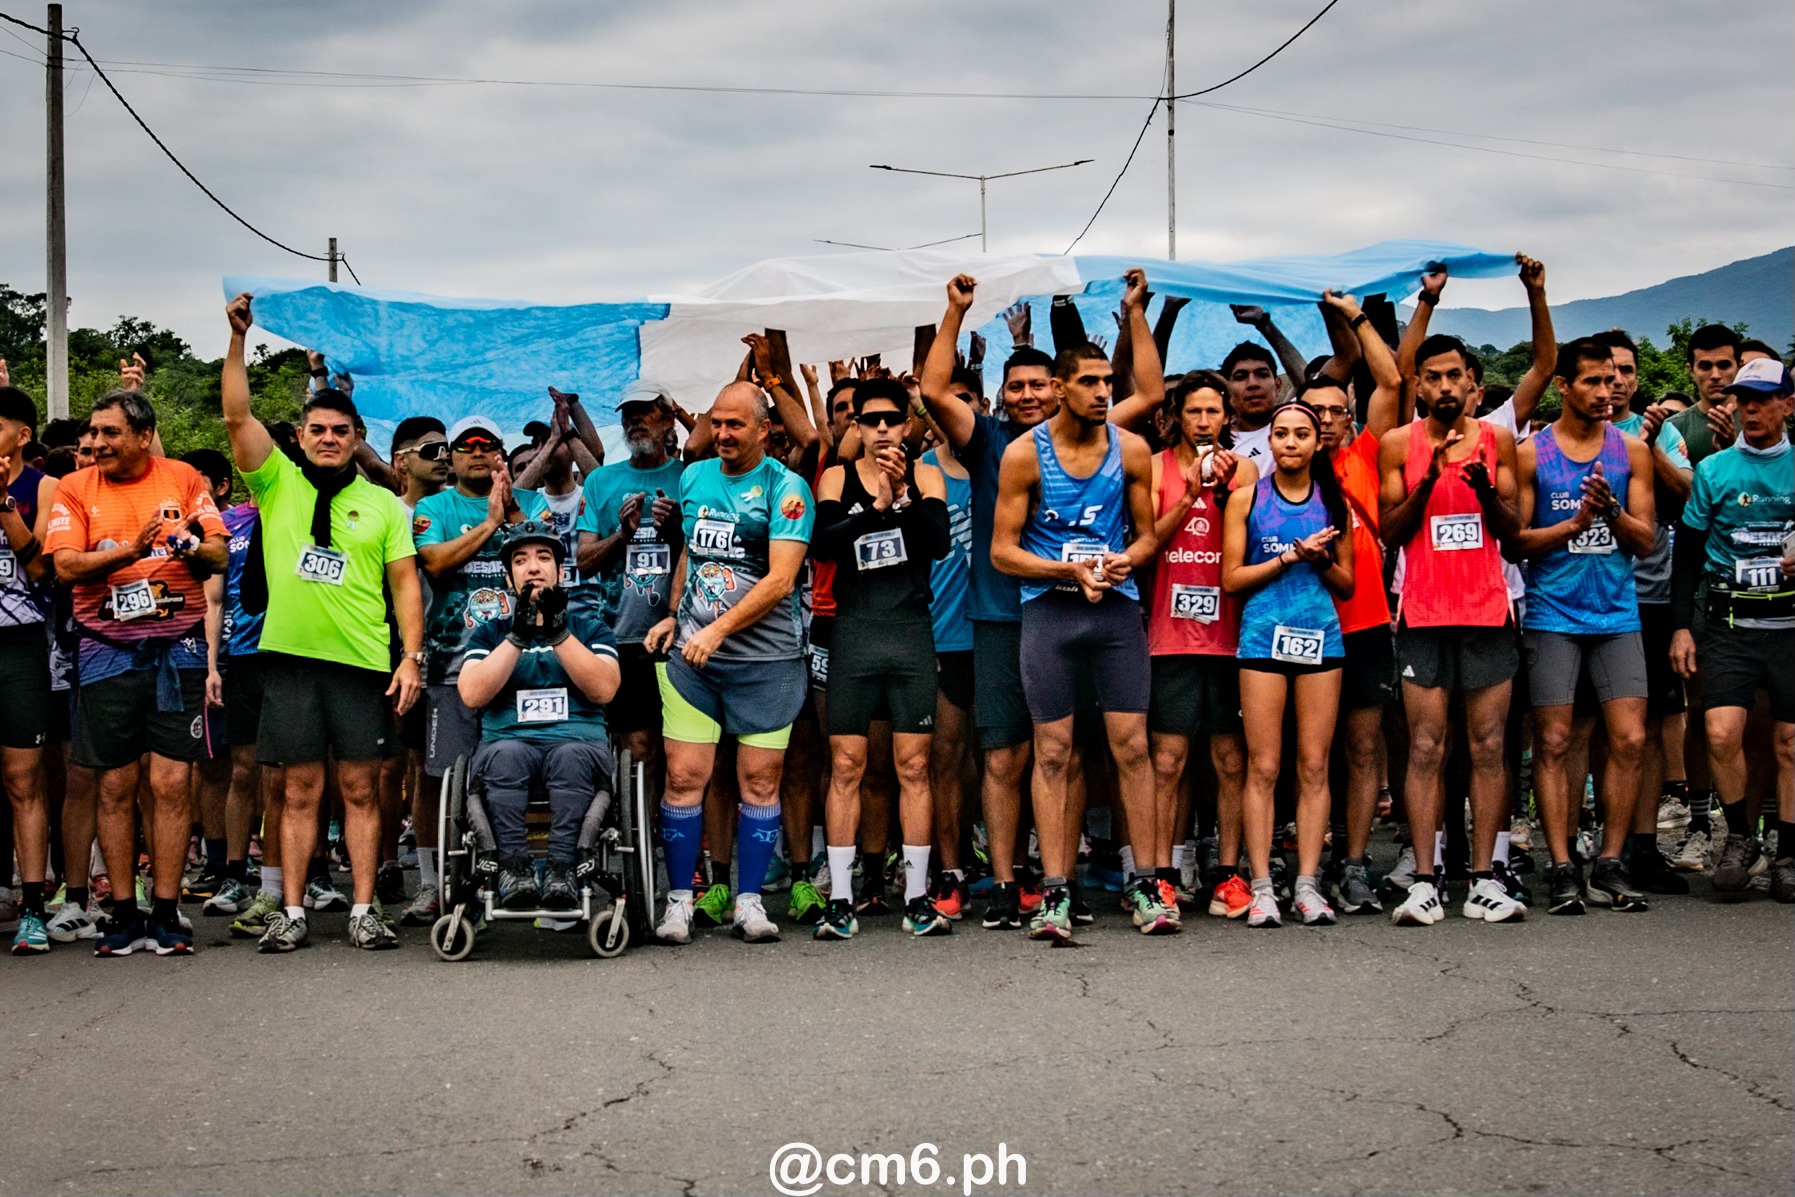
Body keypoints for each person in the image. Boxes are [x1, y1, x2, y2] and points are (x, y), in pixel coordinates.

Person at [221, 294, 424, 952]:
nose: (330, 438)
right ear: (302, 436)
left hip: (362, 663)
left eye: (341, 431)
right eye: (319, 430)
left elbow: (404, 587)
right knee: (298, 784)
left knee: (361, 785)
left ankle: (365, 908)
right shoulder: (276, 482)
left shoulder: (385, 504)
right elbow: (235, 413)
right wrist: (237, 339)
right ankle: (294, 908)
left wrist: (411, 657)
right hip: (289, 659)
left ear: (356, 438)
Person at [920, 275, 1091, 930]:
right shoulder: (987, 439)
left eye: (1038, 385)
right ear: (1002, 396)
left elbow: (1151, 397)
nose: (1026, 395)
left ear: (1058, 390)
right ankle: (1002, 881)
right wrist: (955, 312)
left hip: (1070, 614)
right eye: (1015, 386)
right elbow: (934, 389)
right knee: (1002, 756)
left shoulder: (1087, 441)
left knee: (1065, 753)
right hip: (996, 621)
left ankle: (1058, 879)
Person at [990, 329, 1165, 943]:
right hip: (1051, 612)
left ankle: (1147, 881)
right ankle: (1055, 892)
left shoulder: (1134, 449)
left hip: (1115, 611)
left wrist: (1125, 561)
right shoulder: (1024, 454)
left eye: (1107, 383)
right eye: (1089, 382)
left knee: (1132, 747)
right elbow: (1002, 552)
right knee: (1054, 751)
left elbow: (1147, 537)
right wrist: (1067, 570)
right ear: (1060, 389)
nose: (1101, 392)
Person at [46, 389, 228, 956]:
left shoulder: (183, 478)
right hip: (105, 650)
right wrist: (132, 549)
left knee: (171, 784)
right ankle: (124, 913)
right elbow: (66, 565)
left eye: (108, 433)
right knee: (115, 784)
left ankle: (167, 912)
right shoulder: (75, 487)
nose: (95, 443)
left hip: (178, 649)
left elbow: (218, 556)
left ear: (143, 436)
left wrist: (185, 545)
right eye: (92, 433)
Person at [643, 381, 814, 944]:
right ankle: (679, 903)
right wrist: (674, 614)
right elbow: (692, 551)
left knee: (759, 783)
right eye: (717, 423)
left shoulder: (786, 489)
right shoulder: (693, 477)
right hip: (695, 659)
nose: (722, 434)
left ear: (764, 430)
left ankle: (749, 902)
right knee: (685, 776)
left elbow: (783, 578)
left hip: (767, 663)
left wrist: (717, 628)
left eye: (735, 424)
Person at [1379, 332, 1524, 927]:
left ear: (1472, 383)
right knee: (1425, 746)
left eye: (1453, 376)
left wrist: (1484, 486)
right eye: (1432, 377)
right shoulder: (1397, 443)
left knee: (1489, 745)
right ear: (1418, 384)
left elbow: (1514, 531)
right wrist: (1429, 478)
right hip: (1423, 613)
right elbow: (1390, 531)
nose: (1443, 387)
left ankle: (1485, 878)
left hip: (1488, 611)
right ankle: (1423, 878)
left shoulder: (1499, 440)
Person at [1516, 336, 1657, 913]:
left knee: (1629, 738)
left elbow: (1646, 542)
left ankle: (1611, 861)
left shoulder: (1632, 453)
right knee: (1552, 740)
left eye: (1614, 380)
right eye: (1594, 381)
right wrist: (1575, 522)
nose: (1609, 390)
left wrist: (1613, 512)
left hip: (1617, 614)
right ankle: (1562, 864)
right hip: (1553, 614)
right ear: (1563, 386)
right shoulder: (1532, 454)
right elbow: (1517, 540)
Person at [810, 378, 952, 939]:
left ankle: (918, 897)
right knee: (846, 766)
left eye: (893, 418)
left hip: (911, 635)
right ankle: (841, 898)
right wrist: (877, 507)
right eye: (871, 420)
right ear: (857, 427)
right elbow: (824, 544)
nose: (884, 428)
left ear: (908, 423)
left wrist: (905, 498)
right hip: (855, 635)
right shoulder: (838, 477)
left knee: (913, 767)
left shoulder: (927, 475)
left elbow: (937, 540)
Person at [1122, 371, 1252, 919]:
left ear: (1227, 416)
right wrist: (1192, 496)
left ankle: (1227, 872)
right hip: (1168, 635)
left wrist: (1222, 493)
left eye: (1213, 412)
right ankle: (1163, 875)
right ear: (1175, 415)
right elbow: (1145, 546)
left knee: (1228, 758)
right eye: (1194, 412)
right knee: (1168, 760)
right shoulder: (1153, 469)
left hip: (1230, 634)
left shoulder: (1244, 468)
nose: (1204, 422)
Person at [1222, 399, 1355, 927]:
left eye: (1303, 433)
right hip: (1261, 640)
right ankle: (1261, 887)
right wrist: (1288, 558)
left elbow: (1348, 586)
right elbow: (1231, 580)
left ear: (1319, 441)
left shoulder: (1333, 501)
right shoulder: (1247, 499)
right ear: (1269, 442)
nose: (1292, 442)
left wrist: (1321, 560)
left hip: (1320, 638)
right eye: (1282, 434)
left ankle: (1307, 884)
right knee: (1264, 766)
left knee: (1315, 765)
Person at [411, 414, 548, 927]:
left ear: (499, 451)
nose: (474, 452)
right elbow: (436, 563)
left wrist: (509, 507)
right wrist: (489, 525)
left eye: (485, 445)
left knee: (526, 774)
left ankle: (530, 873)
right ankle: (431, 881)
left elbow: (546, 560)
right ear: (451, 455)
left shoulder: (529, 504)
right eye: (464, 445)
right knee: (440, 778)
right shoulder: (434, 507)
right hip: (452, 665)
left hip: (525, 665)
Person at [1669, 357, 1794, 902]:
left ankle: (1788, 850)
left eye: (1764, 399)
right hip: (1728, 624)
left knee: (1789, 743)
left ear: (1788, 404)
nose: (1751, 409)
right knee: (1721, 732)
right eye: (1744, 398)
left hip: (1789, 628)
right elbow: (1688, 558)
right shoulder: (1716, 470)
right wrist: (1680, 628)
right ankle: (1741, 839)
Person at [457, 522, 620, 909]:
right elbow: (472, 693)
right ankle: (513, 868)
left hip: (578, 741)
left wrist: (559, 634)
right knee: (506, 757)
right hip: (508, 742)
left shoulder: (590, 627)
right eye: (521, 560)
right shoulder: (490, 633)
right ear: (509, 576)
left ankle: (563, 867)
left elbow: (604, 689)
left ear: (560, 573)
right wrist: (516, 636)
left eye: (543, 558)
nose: (533, 567)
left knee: (571, 758)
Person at [1308, 292, 1404, 917]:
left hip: (1366, 622)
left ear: (1348, 417)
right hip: (1304, 626)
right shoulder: (1275, 473)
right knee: (1309, 755)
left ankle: (1355, 861)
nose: (1322, 421)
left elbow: (1392, 378)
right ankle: (1308, 865)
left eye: (1333, 411)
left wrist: (1353, 315)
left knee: (1364, 748)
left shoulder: (1367, 455)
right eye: (1310, 411)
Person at [0, 384, 60, 954]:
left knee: (24, 781)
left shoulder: (45, 488)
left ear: (21, 435)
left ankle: (35, 907)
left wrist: (2, 504)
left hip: (19, 645)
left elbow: (41, 567)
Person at [920, 375, 979, 920]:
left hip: (1001, 633)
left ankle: (1011, 864)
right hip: (942, 638)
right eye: (947, 402)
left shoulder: (1004, 464)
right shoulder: (923, 473)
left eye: (966, 401)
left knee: (1010, 760)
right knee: (945, 758)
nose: (955, 411)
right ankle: (950, 869)